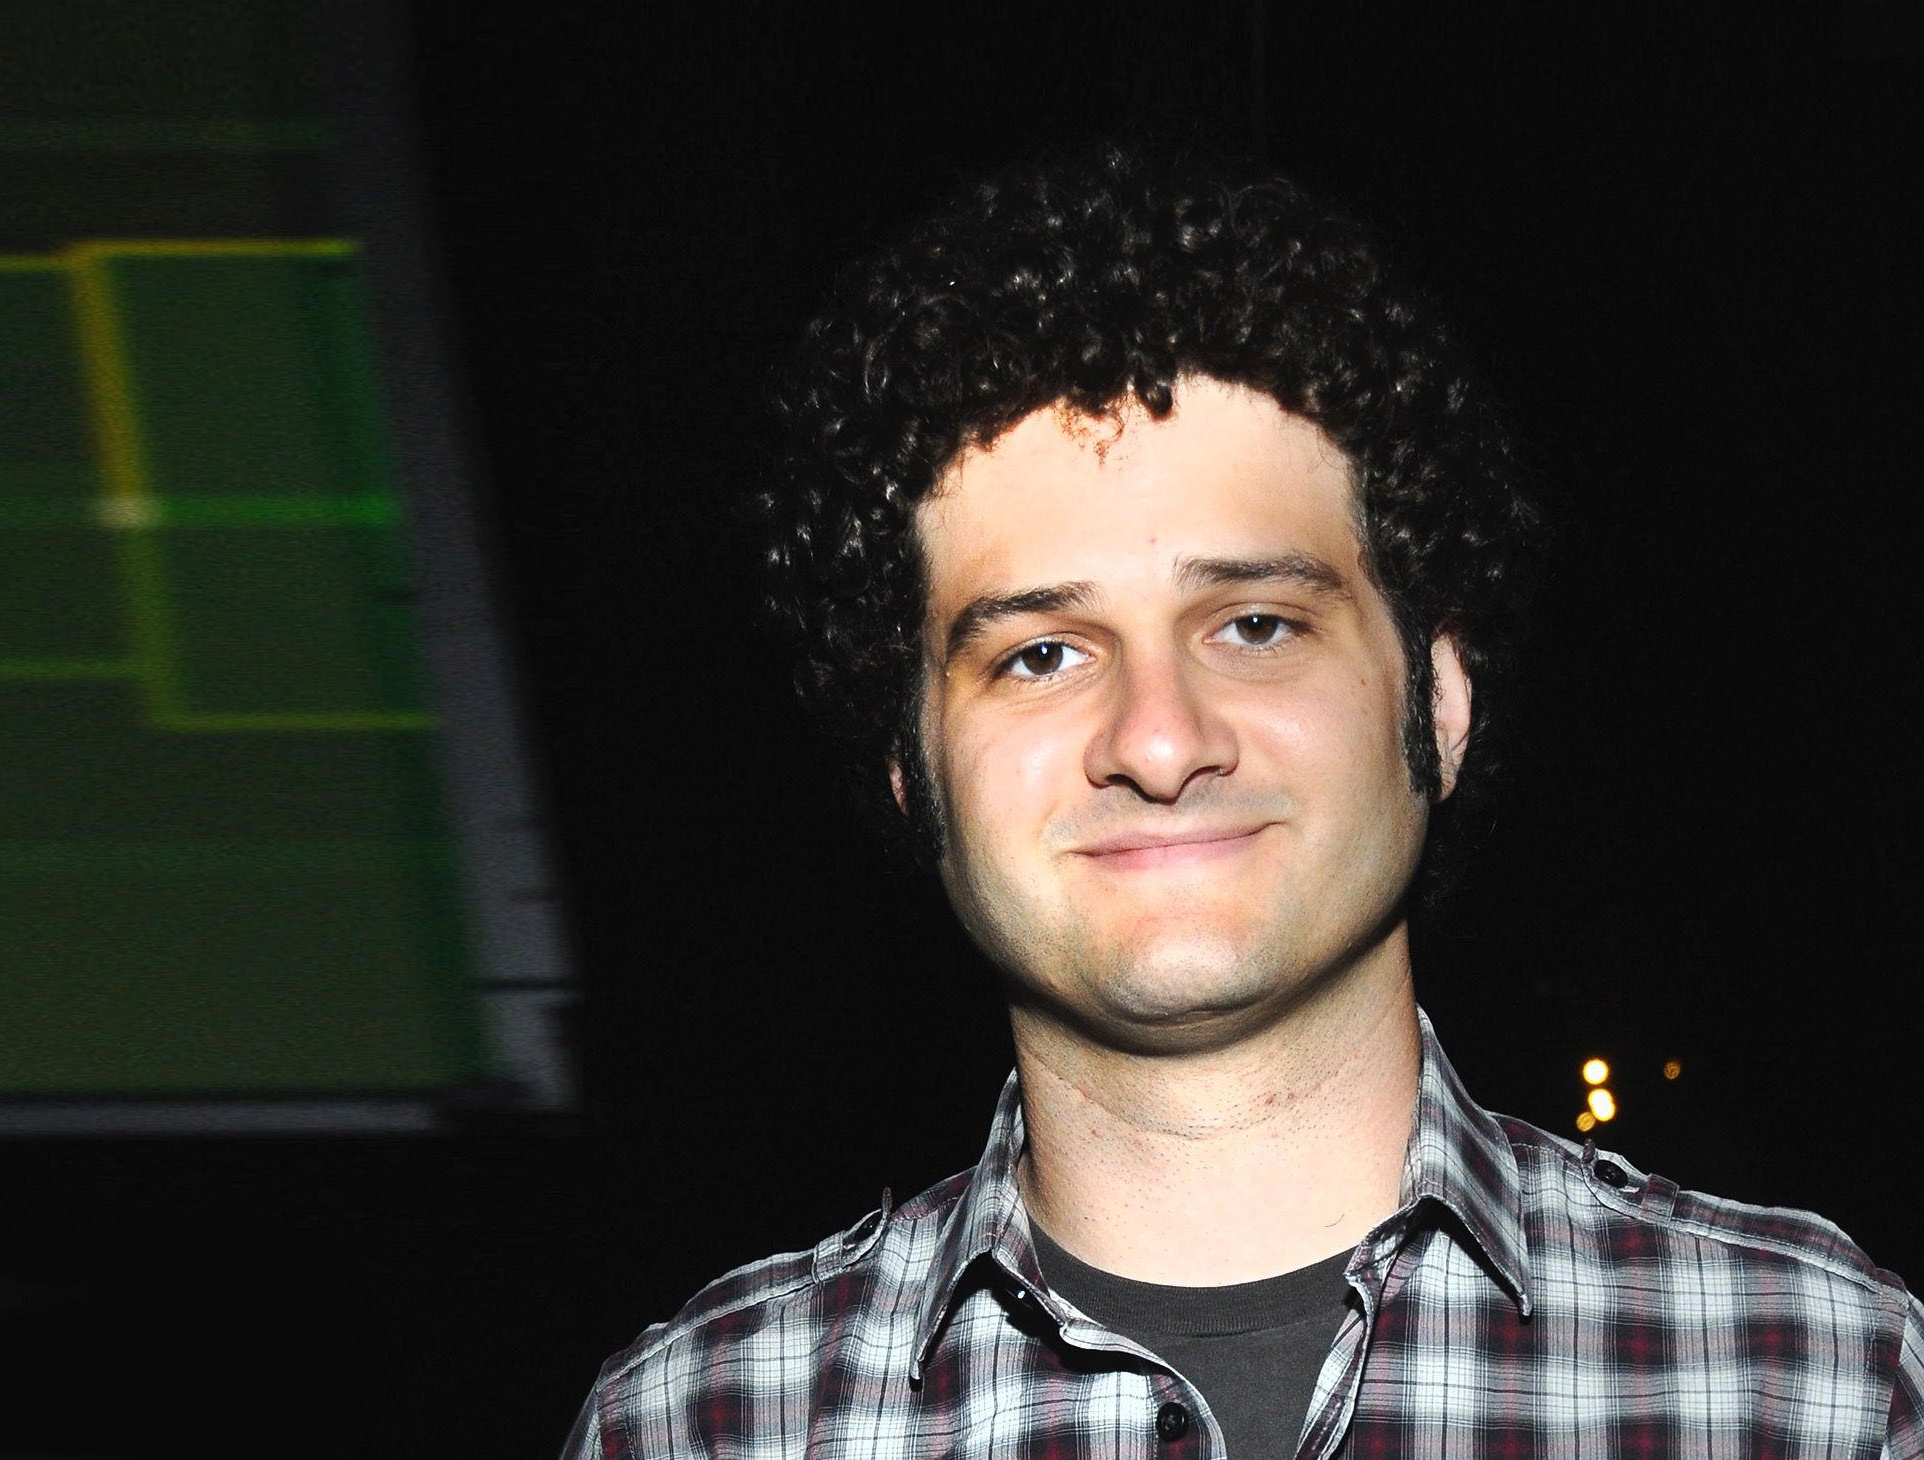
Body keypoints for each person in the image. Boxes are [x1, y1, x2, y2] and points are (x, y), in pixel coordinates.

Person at [562, 145, 1922, 1458]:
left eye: (1256, 625)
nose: (1159, 741)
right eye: (1041, 655)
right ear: (909, 767)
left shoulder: (1825, 1390)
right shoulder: (703, 1429)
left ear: (1439, 701)